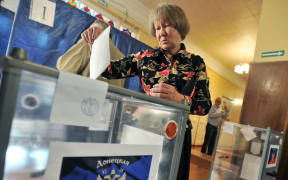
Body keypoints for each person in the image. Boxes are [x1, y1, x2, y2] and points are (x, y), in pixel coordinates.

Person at [58, 3, 212, 180]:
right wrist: (96, 44)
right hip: (144, 130)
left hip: (176, 133)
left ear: (179, 27)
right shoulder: (144, 57)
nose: (160, 32)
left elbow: (205, 105)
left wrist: (181, 99)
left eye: (166, 26)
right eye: (157, 28)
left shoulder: (196, 62)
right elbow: (108, 70)